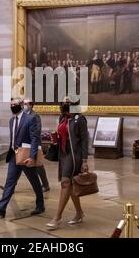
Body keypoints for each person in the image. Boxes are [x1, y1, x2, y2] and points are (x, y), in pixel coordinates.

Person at [0, 98, 44, 218]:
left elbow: (35, 139)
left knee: (34, 181)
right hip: (13, 155)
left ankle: (40, 205)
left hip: (26, 155)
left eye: (15, 104)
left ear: (21, 105)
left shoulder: (31, 118)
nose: (13, 106)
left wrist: (32, 157)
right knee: (10, 182)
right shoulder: (12, 120)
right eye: (11, 105)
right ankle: (1, 208)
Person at [46, 98, 88, 230]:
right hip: (63, 154)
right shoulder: (62, 117)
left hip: (74, 155)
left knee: (65, 183)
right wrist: (55, 140)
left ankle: (57, 218)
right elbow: (61, 134)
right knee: (70, 185)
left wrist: (85, 161)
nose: (64, 104)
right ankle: (80, 213)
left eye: (68, 102)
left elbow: (84, 141)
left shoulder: (80, 119)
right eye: (63, 102)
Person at [23, 99, 50, 192]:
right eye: (23, 103)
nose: (24, 105)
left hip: (34, 144)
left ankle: (46, 185)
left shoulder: (35, 116)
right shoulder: (22, 115)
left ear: (30, 105)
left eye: (26, 104)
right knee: (18, 165)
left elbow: (37, 131)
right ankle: (10, 186)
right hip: (24, 144)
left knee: (38, 166)